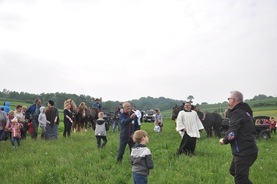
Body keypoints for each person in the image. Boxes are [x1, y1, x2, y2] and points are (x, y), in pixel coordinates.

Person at [219, 91, 258, 184]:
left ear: (233, 100)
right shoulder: (246, 112)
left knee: (240, 180)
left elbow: (232, 133)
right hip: (248, 150)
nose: (228, 101)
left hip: (243, 152)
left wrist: (224, 140)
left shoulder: (237, 113)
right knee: (234, 171)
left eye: (229, 99)